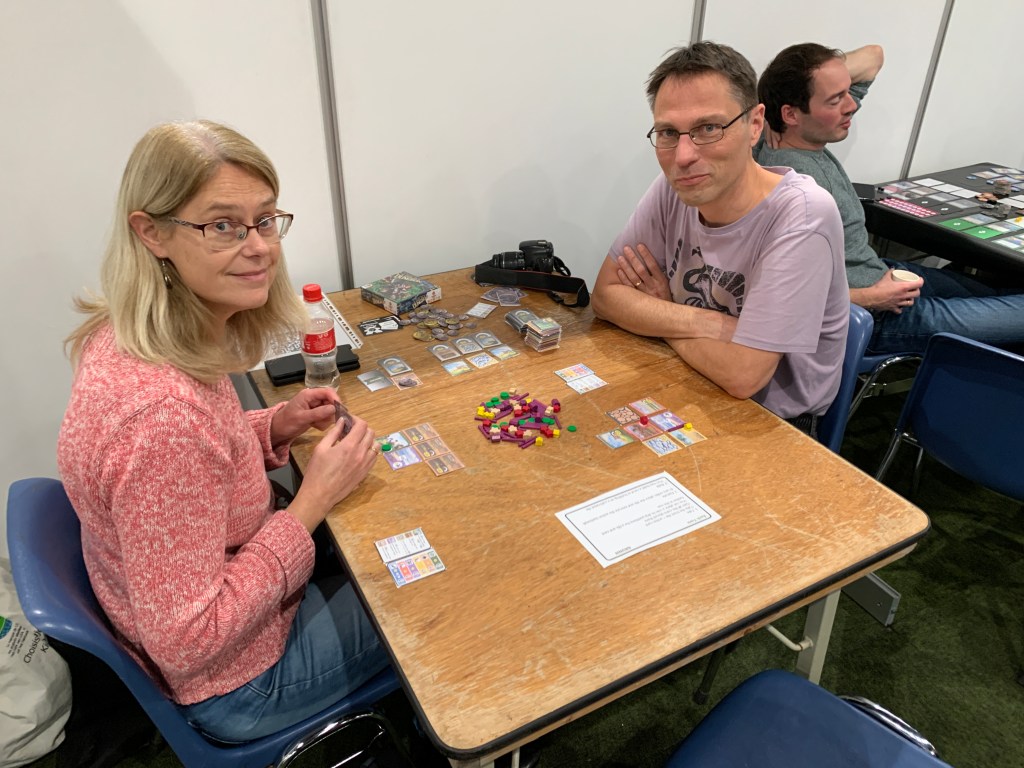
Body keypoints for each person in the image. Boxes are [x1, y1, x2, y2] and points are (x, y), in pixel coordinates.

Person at [57, 121, 390, 743]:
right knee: (439, 591)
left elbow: (198, 460)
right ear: (151, 232)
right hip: (238, 683)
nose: (259, 247)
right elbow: (189, 644)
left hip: (234, 603)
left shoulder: (137, 333)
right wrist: (312, 501)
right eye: (222, 226)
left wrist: (272, 425)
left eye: (265, 220)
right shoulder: (158, 422)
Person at [592, 41, 849, 427]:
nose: (683, 156)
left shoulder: (803, 214)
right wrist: (709, 324)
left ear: (755, 125)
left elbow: (744, 375)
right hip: (690, 377)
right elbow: (606, 296)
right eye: (668, 132)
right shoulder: (675, 188)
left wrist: (662, 311)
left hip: (773, 422)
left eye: (708, 128)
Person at [755, 42, 1024, 355]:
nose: (851, 105)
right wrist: (871, 298)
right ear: (792, 114)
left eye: (846, 92)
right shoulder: (795, 187)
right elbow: (785, 294)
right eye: (835, 99)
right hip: (874, 315)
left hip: (881, 274)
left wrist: (773, 100)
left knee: (1000, 287)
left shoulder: (784, 133)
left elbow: (873, 57)